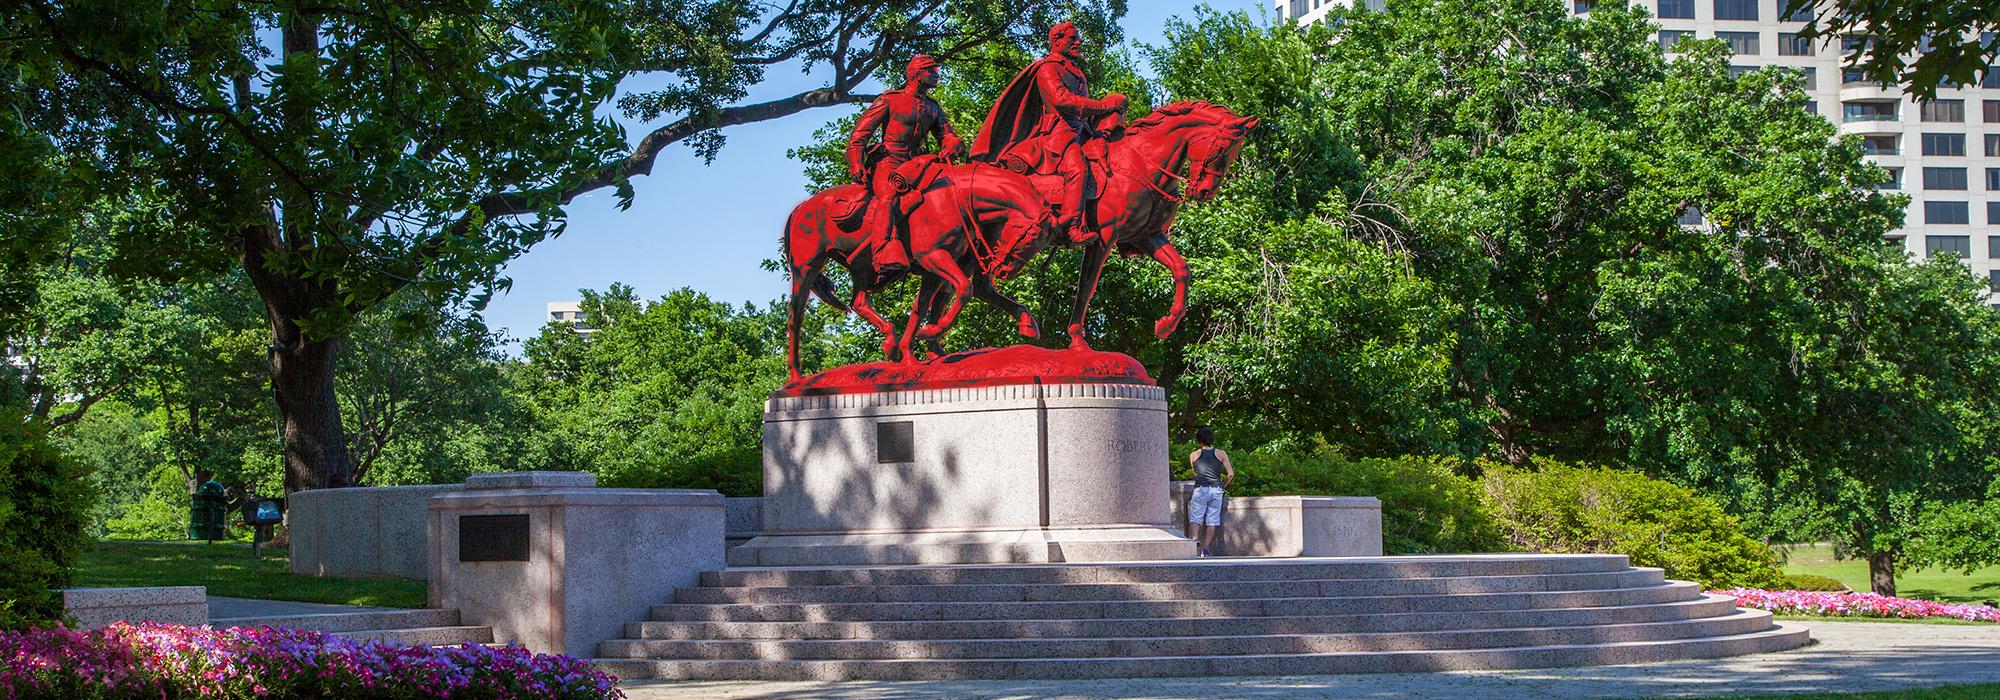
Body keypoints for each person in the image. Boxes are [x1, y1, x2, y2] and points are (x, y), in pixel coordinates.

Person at [971, 21, 1128, 246]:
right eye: (1072, 39)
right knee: (1077, 169)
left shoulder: (1076, 71)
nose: (1078, 42)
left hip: (1081, 131)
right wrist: (1103, 107)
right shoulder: (1048, 68)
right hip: (1059, 134)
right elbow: (1062, 100)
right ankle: (1071, 227)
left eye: (1077, 38)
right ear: (1057, 41)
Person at [846, 54, 964, 275]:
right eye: (932, 71)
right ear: (917, 74)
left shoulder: (933, 107)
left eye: (936, 71)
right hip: (889, 162)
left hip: (918, 164)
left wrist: (952, 143)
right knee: (888, 196)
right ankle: (881, 252)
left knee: (950, 194)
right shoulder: (890, 99)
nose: (937, 75)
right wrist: (855, 162)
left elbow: (947, 134)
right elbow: (860, 134)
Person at [1186, 426, 1234, 558]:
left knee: (1196, 517)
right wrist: (1223, 485)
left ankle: (1194, 541)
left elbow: (1195, 472)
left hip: (1200, 489)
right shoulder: (1221, 453)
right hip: (1216, 490)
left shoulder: (1194, 455)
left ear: (1198, 440)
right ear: (1211, 439)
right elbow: (1230, 474)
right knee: (1212, 520)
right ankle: (1205, 549)